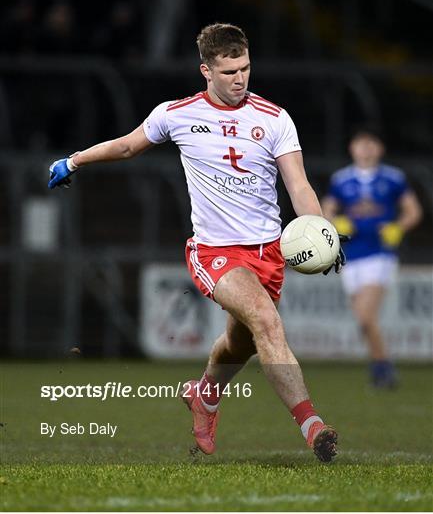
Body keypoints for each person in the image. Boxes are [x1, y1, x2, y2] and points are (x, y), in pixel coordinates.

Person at [48, 23, 346, 462]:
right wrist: (74, 160)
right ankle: (313, 426)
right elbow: (128, 147)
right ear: (206, 70)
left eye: (245, 67)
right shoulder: (177, 114)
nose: (240, 78)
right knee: (266, 321)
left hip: (268, 254)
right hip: (215, 253)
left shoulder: (274, 118)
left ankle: (205, 396)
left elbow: (299, 186)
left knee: (239, 343)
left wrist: (322, 230)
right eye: (229, 71)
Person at [322, 128, 422, 388]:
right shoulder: (342, 179)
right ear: (352, 149)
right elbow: (326, 209)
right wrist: (336, 222)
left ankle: (383, 369)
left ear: (380, 149)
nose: (365, 148)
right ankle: (380, 366)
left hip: (379, 255)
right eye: (360, 143)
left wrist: (398, 227)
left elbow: (413, 211)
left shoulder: (393, 178)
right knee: (363, 321)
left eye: (371, 143)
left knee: (366, 316)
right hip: (350, 256)